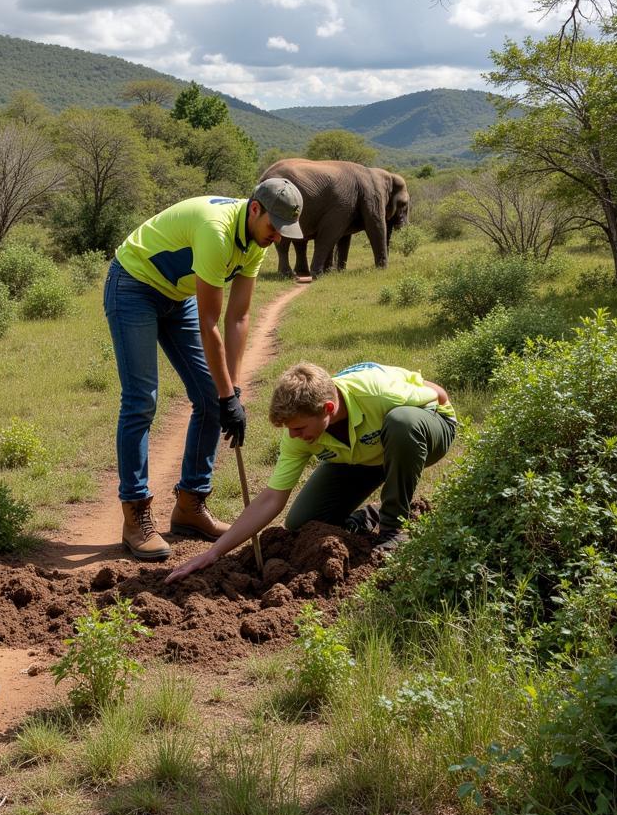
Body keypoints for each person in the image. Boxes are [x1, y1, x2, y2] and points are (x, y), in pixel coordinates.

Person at [105, 179, 304, 561]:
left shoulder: (256, 242)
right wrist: (226, 393)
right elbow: (210, 324)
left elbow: (240, 317)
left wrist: (232, 390)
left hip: (176, 295)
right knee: (141, 401)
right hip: (134, 285)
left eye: (284, 231)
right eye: (273, 227)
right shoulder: (217, 230)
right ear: (255, 209)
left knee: (214, 398)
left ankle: (189, 508)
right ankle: (135, 517)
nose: (277, 237)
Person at [166, 360, 456, 583]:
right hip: (362, 458)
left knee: (402, 423)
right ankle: (369, 517)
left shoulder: (377, 391)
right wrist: (213, 553)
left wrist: (402, 440)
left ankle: (394, 528)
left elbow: (439, 396)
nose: (294, 436)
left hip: (425, 433)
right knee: (302, 522)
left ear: (328, 407)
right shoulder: (299, 432)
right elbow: (271, 498)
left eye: (299, 428)